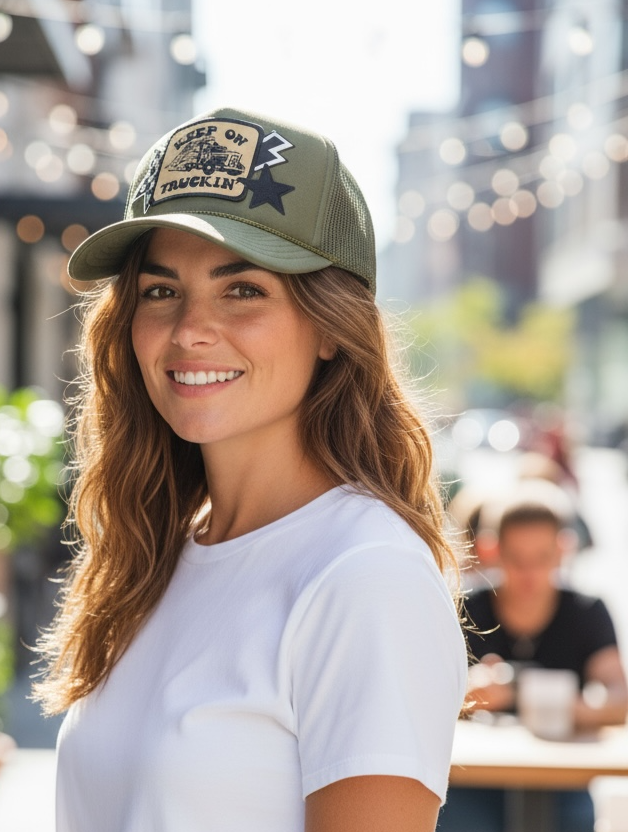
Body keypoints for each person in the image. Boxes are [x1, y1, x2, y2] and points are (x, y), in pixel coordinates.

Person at [34, 106, 467, 832]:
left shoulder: (366, 577)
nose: (190, 330)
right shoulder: (156, 553)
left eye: (242, 290)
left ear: (329, 325)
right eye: (161, 291)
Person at [438, 488, 628, 832]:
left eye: (542, 557)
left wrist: (561, 706)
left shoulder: (586, 611)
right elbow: (429, 694)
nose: (530, 573)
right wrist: (469, 694)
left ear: (563, 550)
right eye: (517, 558)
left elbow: (619, 699)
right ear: (491, 551)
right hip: (477, 776)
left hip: (561, 774)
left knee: (573, 820)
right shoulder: (464, 608)